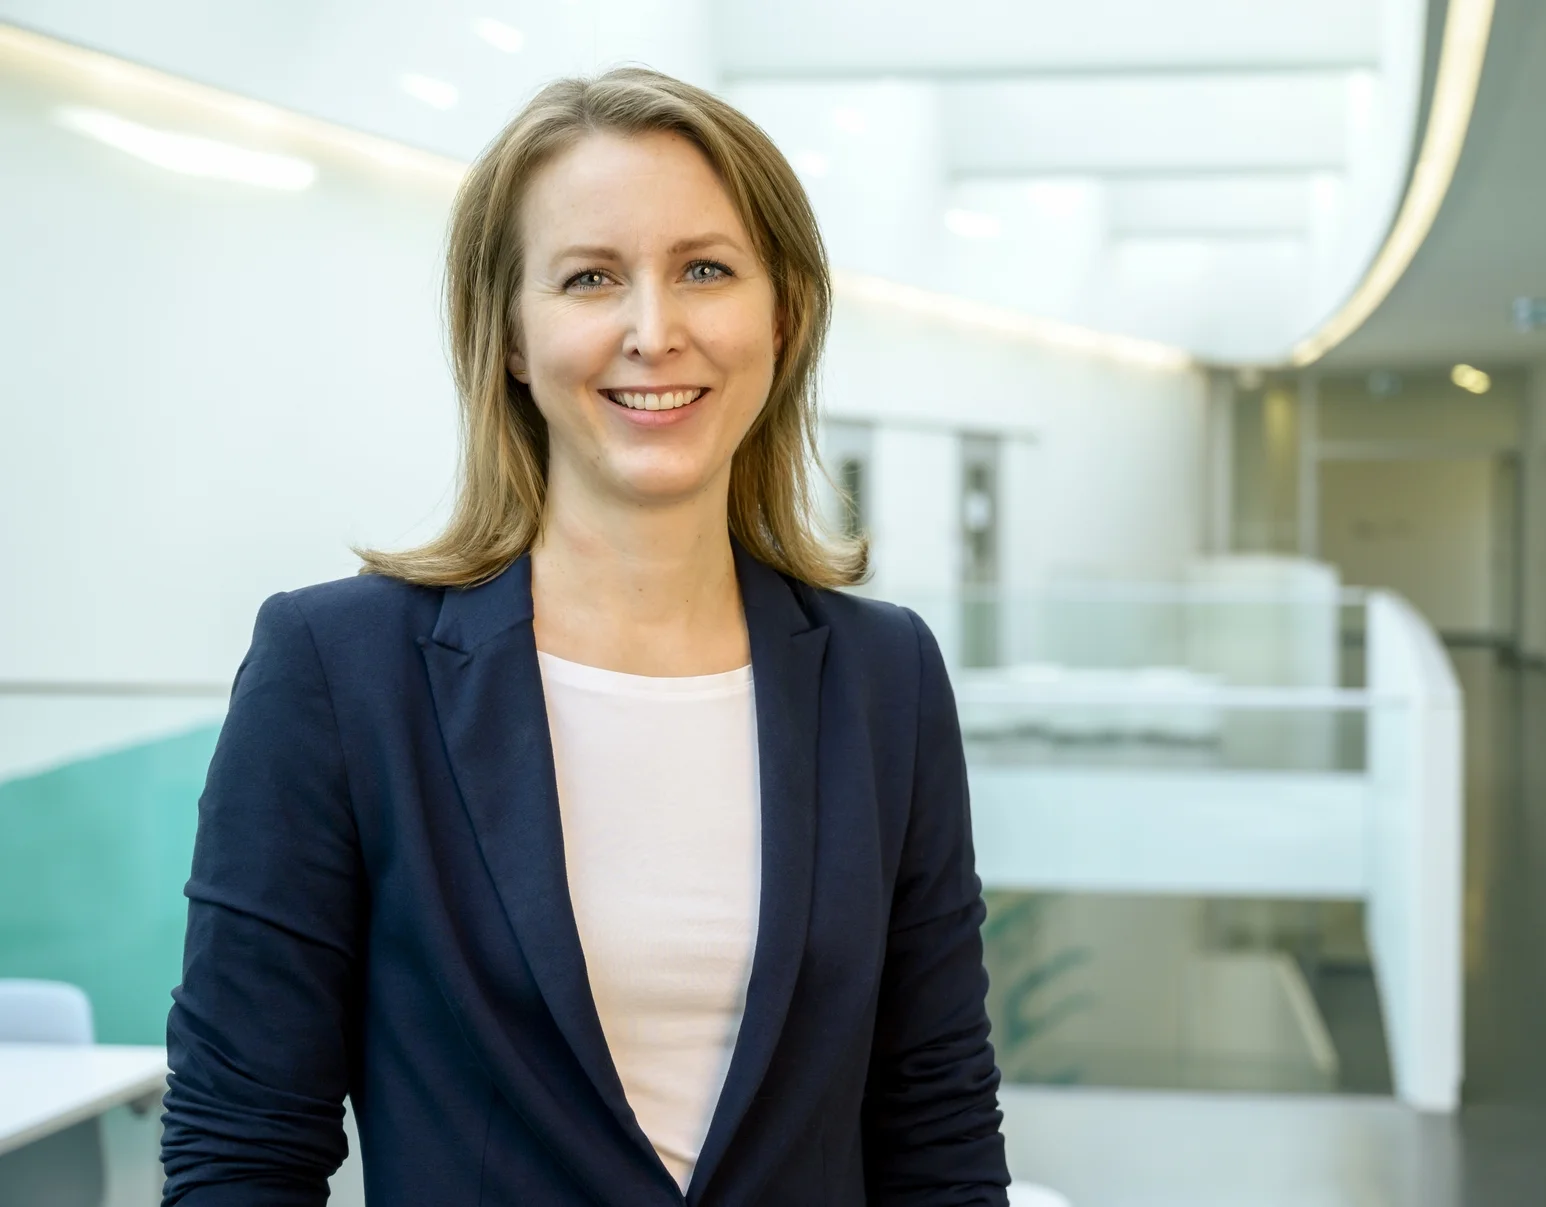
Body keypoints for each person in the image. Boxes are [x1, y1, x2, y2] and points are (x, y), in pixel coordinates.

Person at [159, 67, 1009, 1206]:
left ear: (783, 315)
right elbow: (240, 1150)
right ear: (511, 334)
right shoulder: (339, 670)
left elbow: (937, 1125)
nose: (653, 332)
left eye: (704, 269)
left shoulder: (883, 675)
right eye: (590, 278)